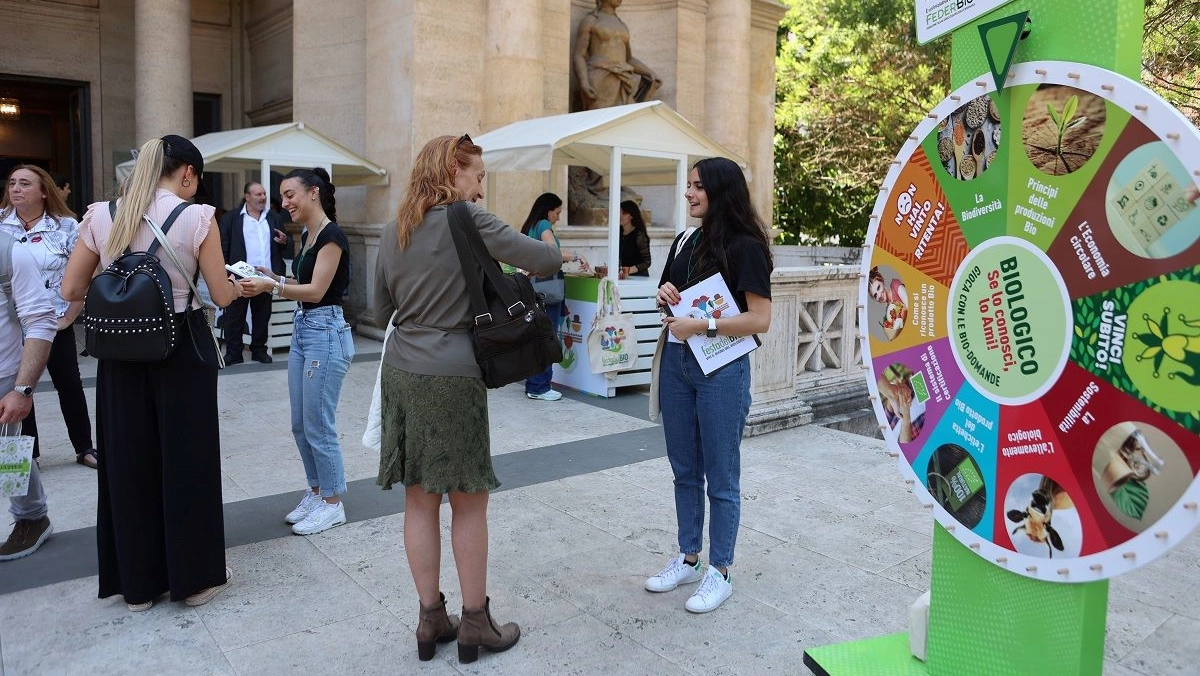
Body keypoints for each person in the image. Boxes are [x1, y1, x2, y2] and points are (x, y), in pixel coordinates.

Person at [374, 135, 561, 663]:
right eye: (477, 176)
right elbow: (542, 259)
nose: (481, 189)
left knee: (418, 500)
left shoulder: (394, 230)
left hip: (402, 373)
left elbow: (379, 303)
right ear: (452, 173)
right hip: (454, 375)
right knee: (469, 502)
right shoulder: (470, 221)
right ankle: (476, 622)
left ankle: (430, 617)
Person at [61, 134, 241, 610]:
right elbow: (221, 296)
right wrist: (244, 287)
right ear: (186, 173)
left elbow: (71, 287)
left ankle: (137, 586)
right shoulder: (197, 216)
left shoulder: (101, 215)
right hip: (181, 347)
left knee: (127, 461)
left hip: (121, 353)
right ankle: (196, 580)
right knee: (187, 461)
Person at [647, 156, 773, 614]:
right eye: (689, 184)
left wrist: (703, 325)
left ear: (721, 191)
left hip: (721, 371)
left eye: (697, 185)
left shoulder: (746, 246)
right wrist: (664, 291)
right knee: (684, 469)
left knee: (721, 476)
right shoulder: (685, 239)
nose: (688, 193)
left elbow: (760, 318)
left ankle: (720, 570)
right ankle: (688, 557)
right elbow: (670, 287)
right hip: (679, 367)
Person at [237, 168, 354, 537]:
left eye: (290, 195)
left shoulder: (332, 235)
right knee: (301, 424)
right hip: (307, 331)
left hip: (326, 332)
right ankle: (317, 491)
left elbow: (318, 291)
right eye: (282, 196)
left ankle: (333, 504)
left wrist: (271, 287)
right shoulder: (309, 234)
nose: (283, 203)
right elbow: (304, 284)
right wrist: (271, 276)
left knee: (319, 424)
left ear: (313, 193)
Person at [0, 166, 98, 468]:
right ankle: (29, 454)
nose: (16, 188)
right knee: (18, 387)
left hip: (53, 321)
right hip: (13, 325)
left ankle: (84, 447)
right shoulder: (1, 225)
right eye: (13, 183)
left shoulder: (67, 226)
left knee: (68, 383)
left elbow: (84, 274)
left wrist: (69, 316)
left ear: (44, 191)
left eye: (25, 184)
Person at [0, 228, 58, 561]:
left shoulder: (10, 251)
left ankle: (30, 517)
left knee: (8, 453)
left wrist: (22, 389)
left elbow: (39, 319)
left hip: (4, 373)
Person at [519, 192, 589, 402]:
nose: (558, 217)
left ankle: (534, 384)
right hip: (547, 293)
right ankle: (540, 386)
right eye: (557, 212)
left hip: (532, 289)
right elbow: (552, 251)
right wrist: (577, 255)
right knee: (547, 339)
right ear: (548, 210)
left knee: (536, 338)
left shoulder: (530, 226)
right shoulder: (543, 225)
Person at [219, 181, 291, 364]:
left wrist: (284, 242)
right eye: (258, 194)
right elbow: (223, 246)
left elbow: (284, 245)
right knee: (234, 316)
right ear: (247, 196)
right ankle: (234, 353)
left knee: (262, 315)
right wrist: (225, 272)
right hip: (239, 276)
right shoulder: (232, 218)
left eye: (264, 194)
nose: (263, 198)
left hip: (265, 277)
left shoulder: (274, 217)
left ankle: (259, 350)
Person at [572, 0, 662, 110]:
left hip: (623, 78)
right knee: (599, 118)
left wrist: (650, 72)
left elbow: (628, 59)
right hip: (599, 78)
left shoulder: (622, 25)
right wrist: (583, 82)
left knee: (624, 118)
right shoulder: (590, 20)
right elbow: (579, 55)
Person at [867, 266, 908, 341]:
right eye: (875, 295)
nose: (879, 295)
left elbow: (912, 307)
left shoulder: (895, 285)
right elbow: (894, 336)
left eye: (878, 287)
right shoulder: (888, 311)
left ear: (882, 281)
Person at [618, 199, 651, 278]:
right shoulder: (618, 233)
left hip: (638, 278)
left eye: (624, 213)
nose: (620, 216)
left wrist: (626, 271)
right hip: (622, 277)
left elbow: (647, 262)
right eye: (619, 212)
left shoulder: (639, 235)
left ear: (632, 215)